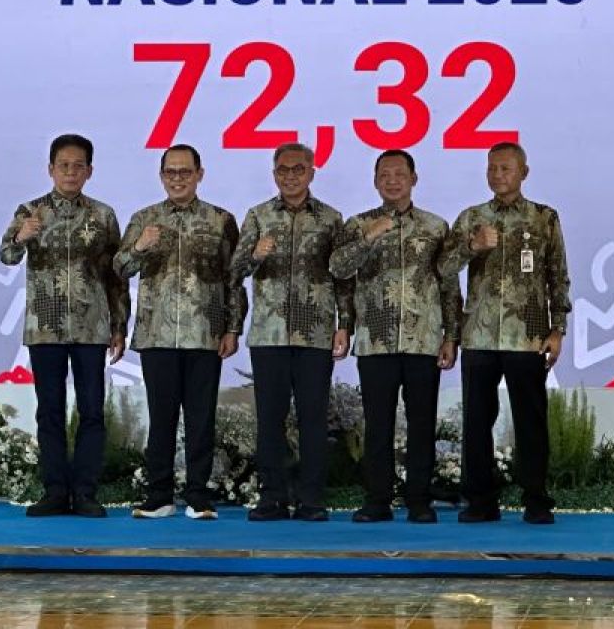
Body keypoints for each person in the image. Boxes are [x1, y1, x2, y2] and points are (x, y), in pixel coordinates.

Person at [0, 134, 129, 517]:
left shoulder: (103, 215)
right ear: (50, 169)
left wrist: (119, 324)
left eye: (78, 166)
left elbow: (116, 275)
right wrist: (20, 237)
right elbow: (6, 255)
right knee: (50, 411)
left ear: (89, 171)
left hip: (92, 327)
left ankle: (85, 492)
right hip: (46, 326)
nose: (71, 172)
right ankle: (55, 491)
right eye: (63, 165)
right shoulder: (31, 210)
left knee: (92, 412)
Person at [440, 141, 571, 525]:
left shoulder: (543, 218)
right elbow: (444, 268)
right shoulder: (472, 217)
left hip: (527, 335)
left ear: (523, 173)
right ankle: (480, 500)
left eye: (506, 168)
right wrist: (472, 246)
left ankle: (536, 499)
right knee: (477, 421)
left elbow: (557, 275)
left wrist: (558, 329)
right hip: (479, 334)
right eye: (492, 168)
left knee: (531, 421)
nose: (498, 175)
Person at [114, 144, 247, 520]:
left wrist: (233, 327)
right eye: (170, 172)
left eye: (185, 172)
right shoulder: (145, 218)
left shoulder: (221, 220)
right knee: (162, 418)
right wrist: (140, 247)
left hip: (205, 334)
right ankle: (159, 495)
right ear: (161, 176)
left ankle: (198, 495)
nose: (178, 179)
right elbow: (120, 268)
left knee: (201, 418)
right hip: (157, 335)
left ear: (199, 175)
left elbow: (234, 277)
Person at [329, 150, 461, 523]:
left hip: (423, 340)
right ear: (375, 181)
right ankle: (377, 500)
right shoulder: (359, 224)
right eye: (384, 175)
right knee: (377, 425)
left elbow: (449, 285)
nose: (392, 181)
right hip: (376, 340)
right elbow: (339, 270)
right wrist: (369, 238)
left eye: (399, 174)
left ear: (413, 179)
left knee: (421, 423)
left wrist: (451, 335)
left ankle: (419, 500)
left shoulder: (435, 227)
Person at [231, 142, 354, 522]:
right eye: (283, 170)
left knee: (313, 419)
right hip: (269, 335)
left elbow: (343, 277)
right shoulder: (258, 216)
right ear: (274, 174)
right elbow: (234, 272)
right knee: (270, 420)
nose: (290, 176)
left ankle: (311, 500)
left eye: (298, 169)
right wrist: (254, 256)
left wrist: (345, 324)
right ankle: (272, 497)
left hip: (315, 334)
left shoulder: (331, 219)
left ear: (312, 172)